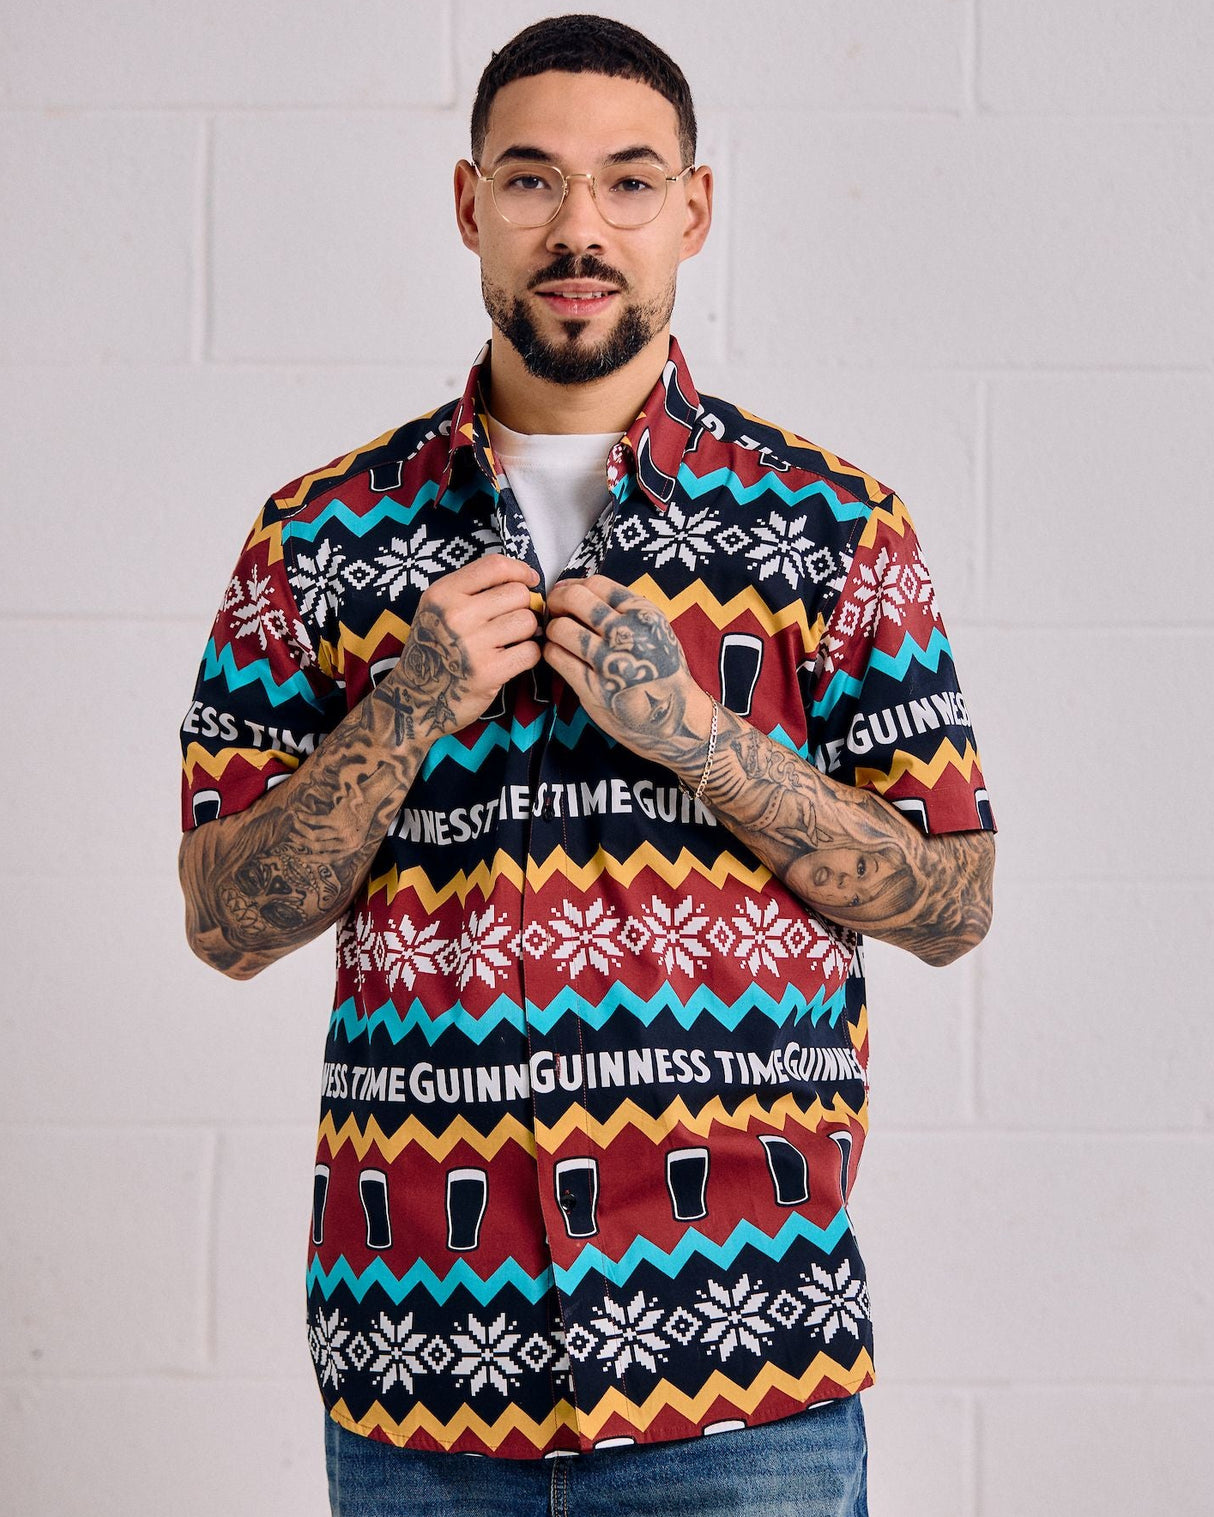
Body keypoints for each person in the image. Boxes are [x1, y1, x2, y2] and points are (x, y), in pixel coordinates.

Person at [177, 14, 996, 1516]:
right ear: (467, 203)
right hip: (419, 1369)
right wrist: (407, 706)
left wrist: (696, 734)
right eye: (531, 179)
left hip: (742, 1377)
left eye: (627, 181)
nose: (578, 228)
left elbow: (951, 901)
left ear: (693, 208)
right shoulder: (318, 535)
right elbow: (225, 920)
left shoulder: (832, 527)